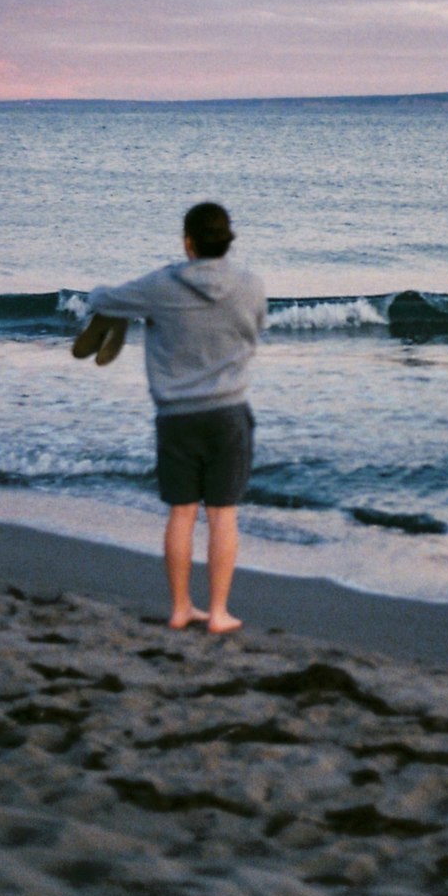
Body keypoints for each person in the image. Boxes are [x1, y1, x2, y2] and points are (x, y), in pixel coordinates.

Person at [82, 202, 266, 633]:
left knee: (182, 512)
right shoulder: (250, 285)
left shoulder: (161, 285)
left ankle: (182, 608)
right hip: (229, 412)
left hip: (177, 416)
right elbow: (256, 331)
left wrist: (106, 302)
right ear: (228, 241)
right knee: (223, 515)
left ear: (188, 242)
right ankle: (218, 612)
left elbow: (102, 298)